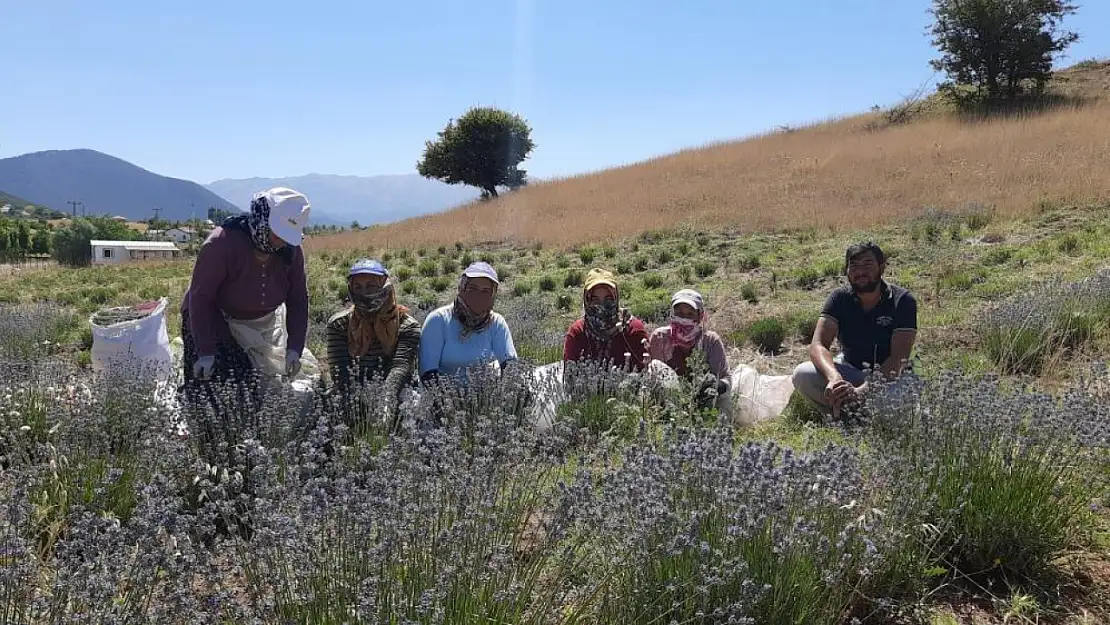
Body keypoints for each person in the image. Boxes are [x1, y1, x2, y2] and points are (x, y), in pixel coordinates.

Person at [181, 187, 311, 387]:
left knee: (264, 386)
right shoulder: (220, 245)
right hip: (215, 322)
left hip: (261, 325)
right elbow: (201, 299)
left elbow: (298, 299)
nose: (280, 241)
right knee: (220, 386)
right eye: (276, 233)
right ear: (262, 220)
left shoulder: (291, 252)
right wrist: (206, 351)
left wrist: (294, 348)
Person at [791, 241, 918, 418]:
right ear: (847, 270)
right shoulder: (839, 298)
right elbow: (818, 345)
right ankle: (843, 415)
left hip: (890, 379)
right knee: (802, 375)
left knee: (897, 404)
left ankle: (857, 414)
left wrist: (861, 392)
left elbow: (898, 360)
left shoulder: (902, 301)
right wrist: (834, 378)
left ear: (881, 267)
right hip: (850, 369)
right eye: (854, 265)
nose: (860, 272)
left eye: (867, 264)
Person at [325, 259, 421, 429]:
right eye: (358, 287)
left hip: (394, 389)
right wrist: (359, 405)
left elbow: (400, 367)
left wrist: (386, 402)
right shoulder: (339, 324)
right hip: (351, 390)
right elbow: (340, 372)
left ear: (385, 286)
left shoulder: (407, 325)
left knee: (414, 408)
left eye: (371, 286)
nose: (364, 293)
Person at [418, 262, 518, 384]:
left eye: (486, 291)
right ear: (461, 289)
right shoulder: (438, 321)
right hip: (442, 397)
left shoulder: (496, 323)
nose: (478, 296)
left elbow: (511, 367)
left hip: (484, 396)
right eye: (472, 289)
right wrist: (451, 401)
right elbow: (428, 375)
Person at [647, 289, 732, 412]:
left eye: (690, 314)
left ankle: (720, 427)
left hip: (704, 401)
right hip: (669, 403)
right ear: (672, 313)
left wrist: (718, 385)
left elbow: (726, 378)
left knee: (724, 398)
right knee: (655, 366)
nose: (684, 319)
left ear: (700, 316)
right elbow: (655, 377)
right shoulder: (660, 337)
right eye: (679, 313)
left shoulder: (710, 341)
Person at [562, 268, 650, 372]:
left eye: (608, 299)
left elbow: (643, 371)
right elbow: (570, 376)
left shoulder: (632, 329)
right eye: (595, 300)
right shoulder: (577, 332)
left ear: (616, 298)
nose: (602, 306)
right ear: (587, 300)